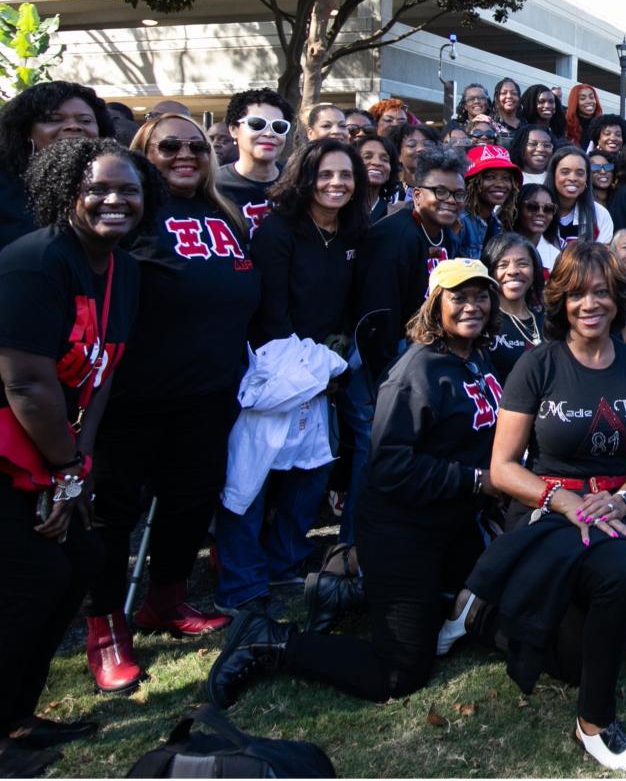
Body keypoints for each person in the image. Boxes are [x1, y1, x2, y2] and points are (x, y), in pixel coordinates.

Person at [207, 258, 508, 710]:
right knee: (400, 671)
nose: (472, 306)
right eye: (458, 296)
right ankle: (269, 640)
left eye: (480, 295)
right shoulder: (415, 373)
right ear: (433, 305)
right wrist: (476, 479)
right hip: (404, 531)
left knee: (501, 595)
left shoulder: (475, 357)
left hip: (454, 524)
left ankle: (348, 592)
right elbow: (390, 466)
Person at [458, 241, 626, 773]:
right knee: (614, 585)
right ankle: (593, 721)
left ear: (618, 299)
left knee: (583, 647)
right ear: (560, 301)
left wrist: (621, 499)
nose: (589, 304)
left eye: (600, 292)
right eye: (576, 294)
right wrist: (564, 499)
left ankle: (582, 709)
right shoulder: (536, 364)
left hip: (610, 512)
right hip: (545, 510)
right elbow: (503, 467)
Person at [0, 138, 160, 775]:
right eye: (98, 188)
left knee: (79, 564)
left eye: (129, 190)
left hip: (59, 453)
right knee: (26, 584)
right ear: (68, 191)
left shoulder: (123, 268)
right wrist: (66, 473)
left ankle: (17, 712)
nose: (114, 200)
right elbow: (26, 384)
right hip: (11, 446)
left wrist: (79, 467)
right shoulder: (34, 263)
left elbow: (105, 371)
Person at [80, 115, 256, 690]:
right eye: (169, 146)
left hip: (208, 394)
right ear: (143, 153)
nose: (185, 155)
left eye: (196, 146)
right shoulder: (130, 215)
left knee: (189, 502)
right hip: (132, 397)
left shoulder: (224, 212)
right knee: (114, 516)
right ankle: (106, 628)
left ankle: (166, 600)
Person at [213, 138, 367, 614]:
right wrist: (310, 369)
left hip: (325, 370)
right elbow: (271, 313)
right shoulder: (278, 231)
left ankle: (285, 560)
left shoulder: (351, 232)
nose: (336, 184)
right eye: (325, 175)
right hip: (275, 368)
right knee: (251, 474)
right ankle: (241, 582)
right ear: (305, 178)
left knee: (314, 469)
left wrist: (333, 361)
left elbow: (348, 305)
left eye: (345, 175)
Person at [357, 146, 466, 358]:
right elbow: (380, 315)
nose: (451, 200)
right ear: (417, 195)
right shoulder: (396, 236)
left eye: (458, 194)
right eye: (440, 191)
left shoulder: (448, 234)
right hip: (392, 351)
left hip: (426, 341)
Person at [0, 81, 114, 250]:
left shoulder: (118, 182)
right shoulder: (5, 183)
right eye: (54, 119)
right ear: (25, 132)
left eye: (85, 120)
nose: (73, 126)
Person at [217, 88, 294, 229]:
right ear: (234, 129)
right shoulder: (213, 186)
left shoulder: (297, 183)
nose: (270, 133)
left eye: (279, 127)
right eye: (257, 124)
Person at [483, 232, 544, 383]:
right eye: (502, 265)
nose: (513, 271)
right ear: (490, 271)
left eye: (522, 264)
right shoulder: (482, 322)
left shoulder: (549, 319)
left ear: (535, 270)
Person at [459, 145, 520, 260]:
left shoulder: (497, 224)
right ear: (471, 182)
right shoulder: (460, 221)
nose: (500, 184)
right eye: (490, 177)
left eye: (506, 179)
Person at [545, 146, 613, 245]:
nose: (573, 178)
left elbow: (601, 257)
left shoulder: (600, 214)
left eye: (580, 173)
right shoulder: (537, 209)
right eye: (565, 172)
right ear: (553, 175)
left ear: (586, 178)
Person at [511, 183, 560, 273]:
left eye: (548, 208)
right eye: (532, 206)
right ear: (517, 208)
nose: (541, 213)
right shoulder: (499, 246)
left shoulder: (557, 258)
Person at [352, 133, 399, 224]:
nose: (377, 162)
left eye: (385, 159)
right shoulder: (339, 209)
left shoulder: (395, 214)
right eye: (367, 157)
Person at [388, 123, 439, 206]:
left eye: (427, 144)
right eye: (412, 145)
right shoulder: (389, 192)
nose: (421, 149)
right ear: (398, 155)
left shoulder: (447, 188)